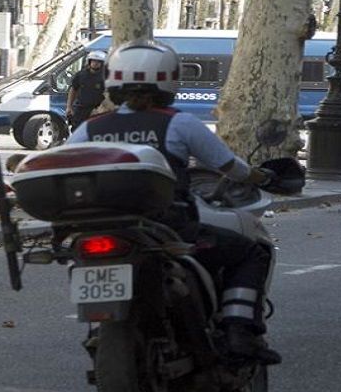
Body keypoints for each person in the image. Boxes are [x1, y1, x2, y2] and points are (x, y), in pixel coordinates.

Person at [68, 39, 280, 365]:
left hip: (104, 227)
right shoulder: (179, 123)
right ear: (168, 79)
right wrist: (262, 178)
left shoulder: (90, 128)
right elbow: (229, 166)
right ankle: (239, 330)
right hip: (171, 227)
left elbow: (59, 163)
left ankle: (100, 328)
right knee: (250, 252)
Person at [66, 49, 107, 130]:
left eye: (98, 61)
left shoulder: (106, 76)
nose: (95, 63)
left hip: (97, 111)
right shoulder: (81, 75)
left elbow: (109, 95)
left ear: (102, 63)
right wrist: (69, 107)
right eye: (93, 61)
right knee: (76, 131)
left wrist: (100, 109)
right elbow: (73, 89)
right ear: (89, 61)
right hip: (80, 110)